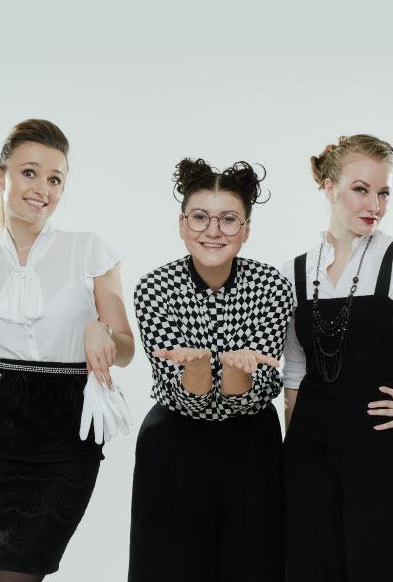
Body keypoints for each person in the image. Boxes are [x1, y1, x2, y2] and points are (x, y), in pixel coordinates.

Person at [0, 119, 135, 582]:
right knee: (2, 569)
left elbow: (126, 350)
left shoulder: (89, 249)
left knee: (18, 570)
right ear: (0, 176)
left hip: (66, 432)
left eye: (55, 178)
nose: (43, 188)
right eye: (29, 172)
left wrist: (100, 330)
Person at [128, 158, 293, 582]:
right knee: (170, 567)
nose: (213, 230)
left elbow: (250, 394)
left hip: (250, 447)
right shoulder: (154, 288)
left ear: (246, 229)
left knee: (252, 565)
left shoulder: (272, 286)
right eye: (200, 217)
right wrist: (200, 368)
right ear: (182, 225)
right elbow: (187, 398)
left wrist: (236, 371)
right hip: (174, 444)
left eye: (228, 219)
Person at [282, 134, 393, 582]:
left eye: (384, 193)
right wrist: (294, 439)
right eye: (361, 189)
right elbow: (295, 370)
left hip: (380, 446)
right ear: (330, 187)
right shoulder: (295, 271)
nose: (374, 205)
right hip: (308, 451)